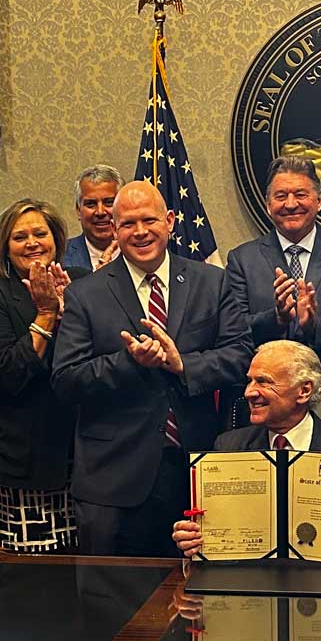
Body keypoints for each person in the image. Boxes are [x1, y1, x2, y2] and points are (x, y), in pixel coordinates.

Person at [52, 179, 253, 556]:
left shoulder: (212, 282)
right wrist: (129, 362)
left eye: (149, 220)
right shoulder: (85, 294)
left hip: (195, 472)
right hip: (113, 481)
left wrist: (183, 365)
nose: (140, 232)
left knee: (197, 603)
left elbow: (241, 355)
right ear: (114, 228)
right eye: (127, 224)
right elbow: (66, 379)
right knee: (110, 607)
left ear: (171, 221)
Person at [171, 341, 321, 564]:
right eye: (250, 381)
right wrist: (191, 537)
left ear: (304, 390)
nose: (249, 392)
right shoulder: (229, 446)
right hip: (251, 588)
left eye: (263, 381)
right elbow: (209, 529)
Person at [0, 199, 83, 552]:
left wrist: (70, 313)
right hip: (27, 464)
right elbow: (8, 373)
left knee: (86, 578)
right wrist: (48, 314)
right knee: (31, 582)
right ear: (6, 246)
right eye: (20, 236)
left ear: (57, 239)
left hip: (85, 459)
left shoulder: (81, 285)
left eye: (40, 233)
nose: (32, 242)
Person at [224, 156, 321, 378]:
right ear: (268, 205)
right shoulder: (242, 260)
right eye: (281, 196)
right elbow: (232, 335)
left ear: (319, 201)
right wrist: (276, 319)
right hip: (265, 392)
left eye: (301, 195)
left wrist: (315, 325)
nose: (291, 204)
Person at [61, 165, 122, 272]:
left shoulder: (140, 252)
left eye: (109, 202)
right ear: (78, 210)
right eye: (91, 204)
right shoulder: (60, 256)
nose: (100, 212)